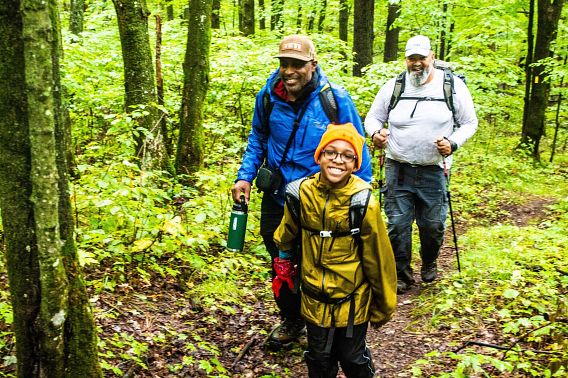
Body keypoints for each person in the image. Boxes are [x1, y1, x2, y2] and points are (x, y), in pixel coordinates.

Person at [231, 35, 373, 345]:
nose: (289, 70)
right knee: (280, 261)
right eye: (284, 63)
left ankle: (321, 326)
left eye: (297, 64)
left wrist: (362, 197)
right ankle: (292, 320)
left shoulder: (333, 99)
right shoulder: (268, 96)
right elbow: (258, 137)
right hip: (278, 196)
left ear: (313, 65)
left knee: (316, 262)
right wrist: (245, 176)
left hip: (318, 198)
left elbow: (356, 147)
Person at [273, 123, 397, 377]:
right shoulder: (300, 194)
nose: (338, 160)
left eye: (347, 155)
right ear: (319, 155)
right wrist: (284, 261)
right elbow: (286, 232)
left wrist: (384, 305)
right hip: (313, 297)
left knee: (352, 357)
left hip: (352, 300)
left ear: (355, 164)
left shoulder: (363, 203)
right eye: (331, 152)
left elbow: (379, 259)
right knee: (319, 358)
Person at [365, 35, 478, 293]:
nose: (417, 63)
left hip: (434, 169)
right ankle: (402, 274)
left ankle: (430, 261)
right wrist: (375, 134)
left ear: (432, 57)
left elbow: (470, 122)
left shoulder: (452, 87)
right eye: (411, 58)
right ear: (406, 59)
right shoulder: (393, 86)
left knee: (433, 224)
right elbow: (373, 118)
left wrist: (453, 143)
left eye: (421, 58)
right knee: (397, 224)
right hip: (398, 167)